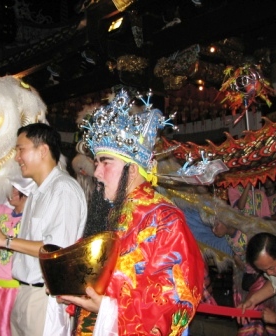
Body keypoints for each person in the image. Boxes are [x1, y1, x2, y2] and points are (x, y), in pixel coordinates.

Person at [59, 89, 205, 335]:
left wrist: (107, 308)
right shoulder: (108, 214)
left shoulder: (164, 220)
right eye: (97, 163)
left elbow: (177, 299)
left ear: (134, 171)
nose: (96, 173)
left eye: (106, 163)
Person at [0, 123, 87, 336]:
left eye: (21, 149)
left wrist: (7, 241)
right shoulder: (37, 193)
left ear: (43, 150)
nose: (16, 157)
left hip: (45, 298)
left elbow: (57, 249)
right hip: (25, 292)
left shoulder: (63, 189)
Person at [0, 178, 35, 335]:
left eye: (16, 188)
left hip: (15, 288)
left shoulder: (33, 220)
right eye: (10, 187)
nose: (11, 192)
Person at [212, 220, 276, 336]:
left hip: (259, 280)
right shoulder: (229, 238)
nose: (214, 230)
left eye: (217, 225)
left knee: (256, 314)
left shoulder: (248, 235)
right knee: (247, 310)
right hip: (247, 277)